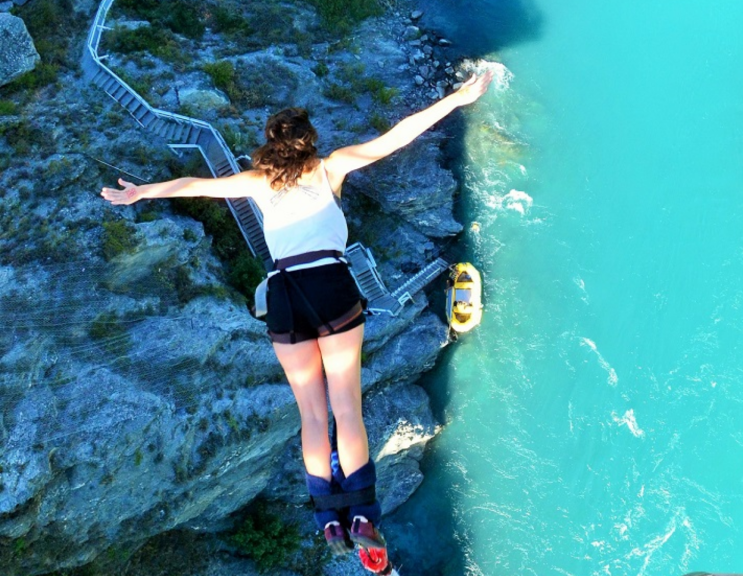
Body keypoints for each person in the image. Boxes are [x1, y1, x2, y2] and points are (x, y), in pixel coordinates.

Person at [101, 71, 493, 574]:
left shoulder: (255, 182)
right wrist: (458, 98)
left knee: (312, 414)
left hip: (284, 292)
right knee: (346, 408)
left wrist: (141, 194)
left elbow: (194, 185)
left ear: (270, 144)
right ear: (310, 143)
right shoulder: (331, 169)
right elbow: (398, 135)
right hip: (331, 286)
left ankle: (328, 519)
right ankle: (363, 515)